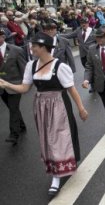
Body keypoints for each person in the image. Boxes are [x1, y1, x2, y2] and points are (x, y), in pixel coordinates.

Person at [0, 32, 88, 198]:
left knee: (59, 138)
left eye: (34, 46)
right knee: (48, 139)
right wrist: (6, 83)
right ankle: (57, 167)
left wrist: (81, 108)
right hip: (41, 106)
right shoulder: (31, 66)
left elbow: (71, 89)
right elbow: (24, 89)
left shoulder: (60, 66)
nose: (31, 48)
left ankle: (56, 177)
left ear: (43, 48)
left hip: (59, 104)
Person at [0, 28, 27, 145]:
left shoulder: (16, 50)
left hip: (14, 85)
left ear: (3, 37)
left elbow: (24, 68)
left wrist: (25, 84)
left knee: (13, 108)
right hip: (1, 87)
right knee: (13, 108)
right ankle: (21, 125)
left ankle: (14, 134)